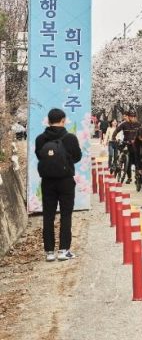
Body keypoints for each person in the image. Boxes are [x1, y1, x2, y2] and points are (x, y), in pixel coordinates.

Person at [35, 108, 82, 261]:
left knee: (48, 215)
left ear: (48, 121)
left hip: (47, 181)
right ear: (63, 120)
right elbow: (77, 157)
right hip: (66, 181)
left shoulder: (40, 139)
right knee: (66, 214)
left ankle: (49, 252)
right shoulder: (70, 138)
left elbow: (39, 156)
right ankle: (63, 251)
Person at [112, 110, 141, 182]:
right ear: (128, 117)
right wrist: (113, 138)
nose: (133, 118)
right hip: (126, 143)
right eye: (131, 116)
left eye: (134, 116)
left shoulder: (138, 124)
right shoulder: (124, 124)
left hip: (135, 145)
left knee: (138, 161)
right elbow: (116, 130)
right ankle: (129, 177)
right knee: (127, 162)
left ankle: (137, 176)